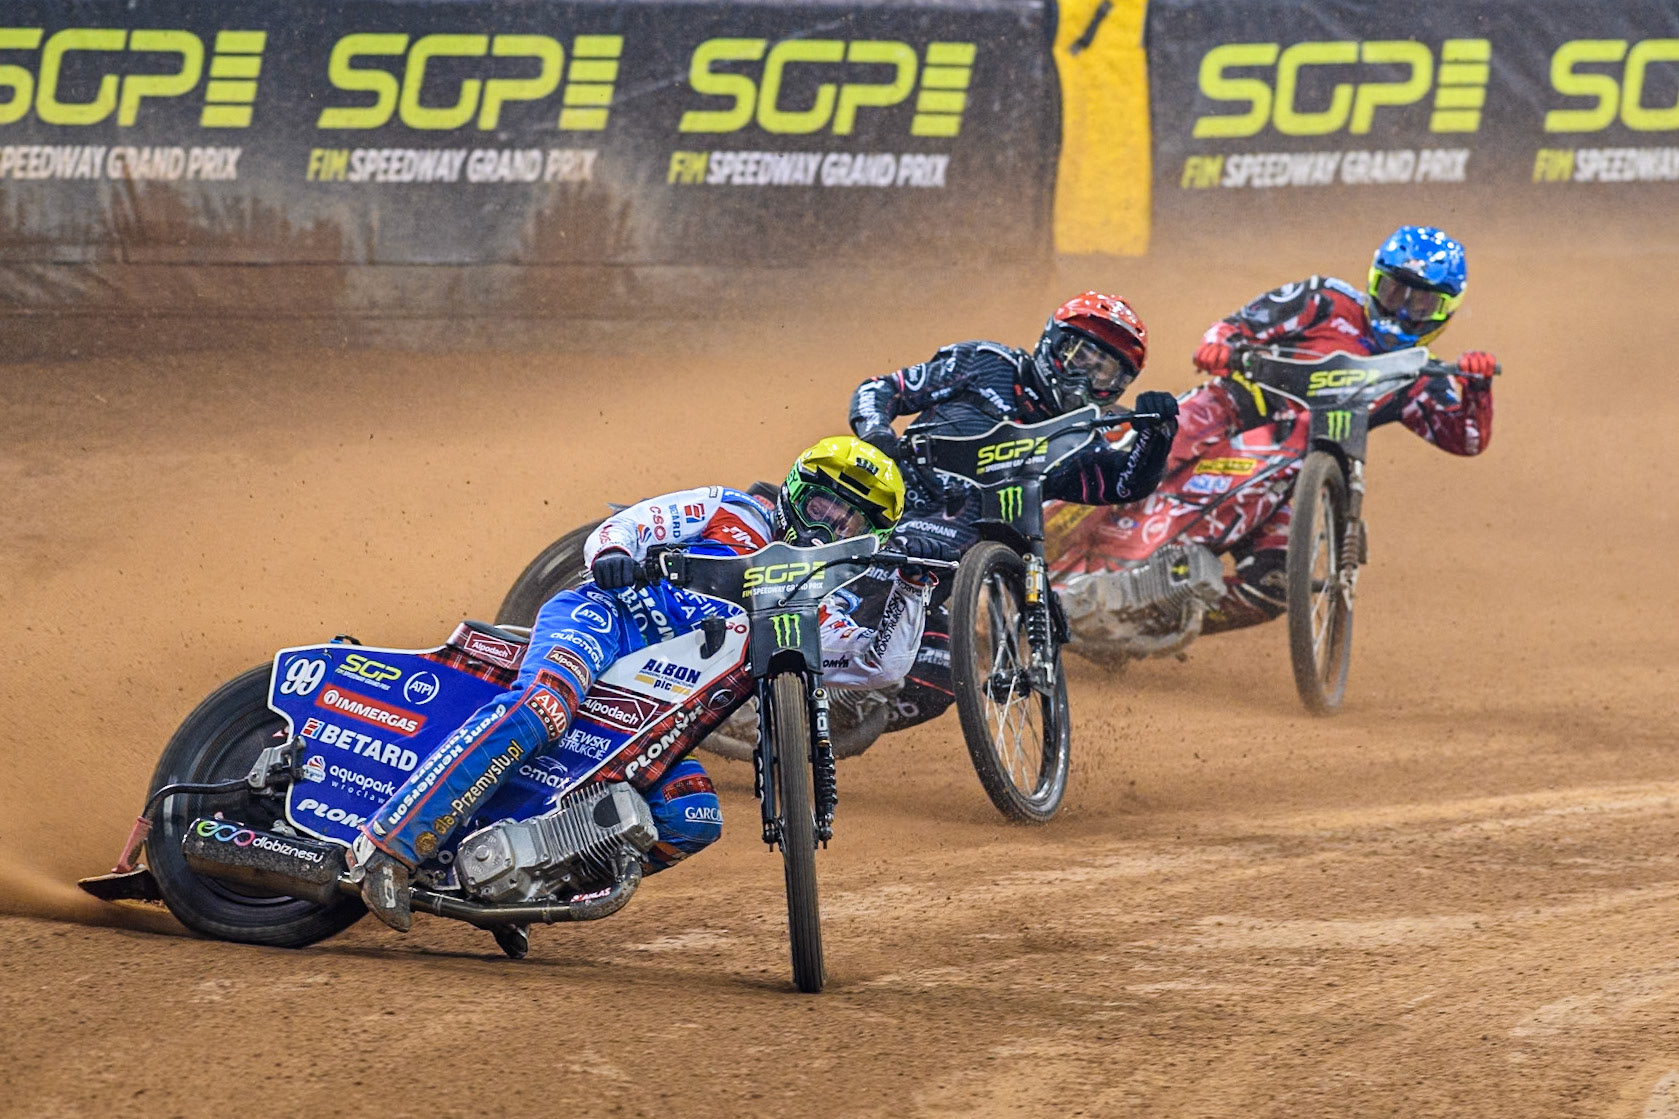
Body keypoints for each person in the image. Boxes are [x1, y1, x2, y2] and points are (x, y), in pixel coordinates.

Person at [351, 437, 940, 931]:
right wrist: (612, 554)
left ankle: (518, 897)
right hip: (607, 620)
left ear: (869, 540)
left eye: (849, 522)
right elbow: (632, 525)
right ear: (793, 493)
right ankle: (389, 847)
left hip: (654, 715)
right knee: (543, 709)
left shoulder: (814, 612)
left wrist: (913, 588)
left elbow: (879, 665)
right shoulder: (732, 509)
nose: (827, 527)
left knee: (693, 818)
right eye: (820, 506)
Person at [848, 291, 1181, 733]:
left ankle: (823, 724)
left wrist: (1157, 434)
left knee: (939, 680)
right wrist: (876, 432)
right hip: (884, 502)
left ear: (1117, 388)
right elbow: (882, 389)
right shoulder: (986, 362)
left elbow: (1122, 483)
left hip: (954, 553)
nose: (1086, 374)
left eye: (1104, 370)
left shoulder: (1079, 438)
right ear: (1053, 344)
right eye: (1081, 354)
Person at [1180, 224, 1497, 632]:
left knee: (1272, 587)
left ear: (1445, 311)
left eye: (1420, 304)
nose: (1401, 310)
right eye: (1394, 292)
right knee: (1158, 442)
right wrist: (1219, 346)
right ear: (1373, 282)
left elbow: (1467, 439)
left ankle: (1150, 619)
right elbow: (1238, 324)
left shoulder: (1419, 375)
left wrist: (1477, 388)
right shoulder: (1324, 300)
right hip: (1230, 413)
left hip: (1288, 484)